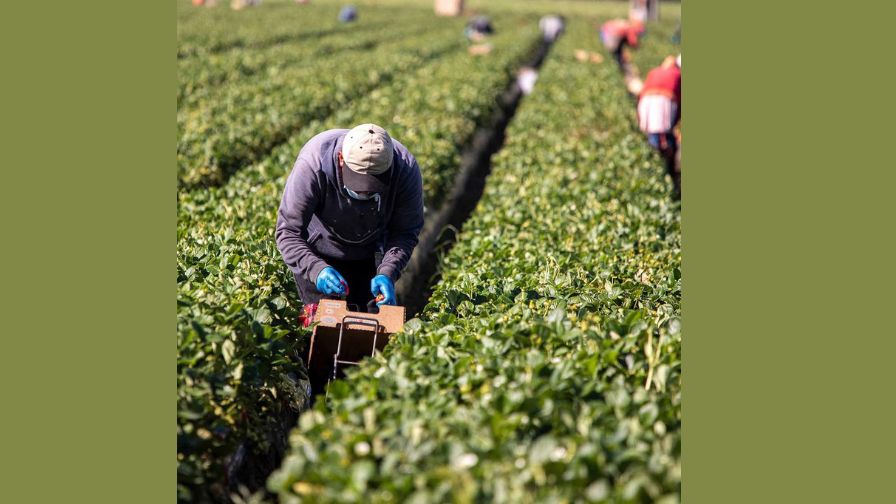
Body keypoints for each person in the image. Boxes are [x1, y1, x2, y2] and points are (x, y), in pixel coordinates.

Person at [276, 124, 424, 326]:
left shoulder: (405, 169)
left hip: (371, 253)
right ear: (341, 160)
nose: (364, 194)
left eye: (372, 188)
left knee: (373, 329)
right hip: (318, 253)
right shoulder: (314, 163)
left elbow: (405, 231)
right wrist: (316, 269)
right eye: (358, 185)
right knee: (322, 330)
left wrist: (388, 271)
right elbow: (288, 232)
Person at [637, 55, 681, 190]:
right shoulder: (678, 75)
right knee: (664, 135)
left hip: (647, 102)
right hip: (663, 103)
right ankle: (668, 166)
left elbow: (642, 92)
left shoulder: (655, 71)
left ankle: (658, 163)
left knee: (654, 132)